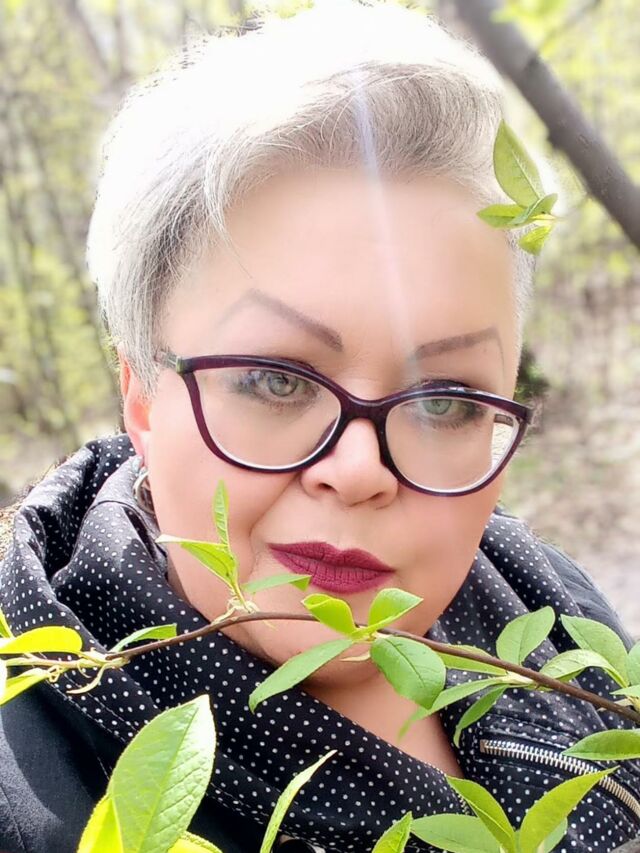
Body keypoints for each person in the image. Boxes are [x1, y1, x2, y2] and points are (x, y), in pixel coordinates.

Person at [0, 3, 638, 852]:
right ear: (142, 396)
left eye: (444, 399)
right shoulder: (30, 790)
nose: (360, 469)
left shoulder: (547, 602)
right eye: (275, 379)